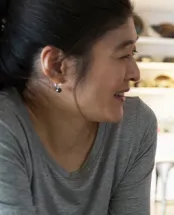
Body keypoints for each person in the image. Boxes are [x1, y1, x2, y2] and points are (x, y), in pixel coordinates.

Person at [0, 0, 157, 214]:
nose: (135, 74)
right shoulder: (6, 128)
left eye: (134, 52)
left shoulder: (134, 126)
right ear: (57, 66)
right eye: (123, 55)